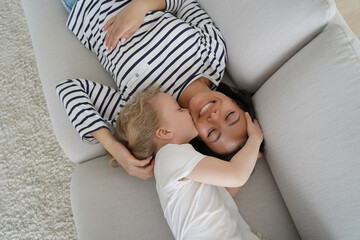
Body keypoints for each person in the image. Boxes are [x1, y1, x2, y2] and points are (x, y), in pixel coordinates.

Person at [57, 0, 256, 180]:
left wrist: (114, 148)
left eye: (212, 132)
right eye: (230, 115)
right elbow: (184, 3)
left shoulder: (149, 111)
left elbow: (70, 90)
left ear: (199, 139)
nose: (214, 116)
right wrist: (141, 6)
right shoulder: (214, 56)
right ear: (235, 101)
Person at [115, 87, 263, 240]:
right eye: (179, 109)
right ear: (165, 132)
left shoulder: (174, 160)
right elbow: (236, 174)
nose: (186, 111)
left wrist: (250, 157)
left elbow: (220, 195)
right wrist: (255, 139)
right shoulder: (170, 156)